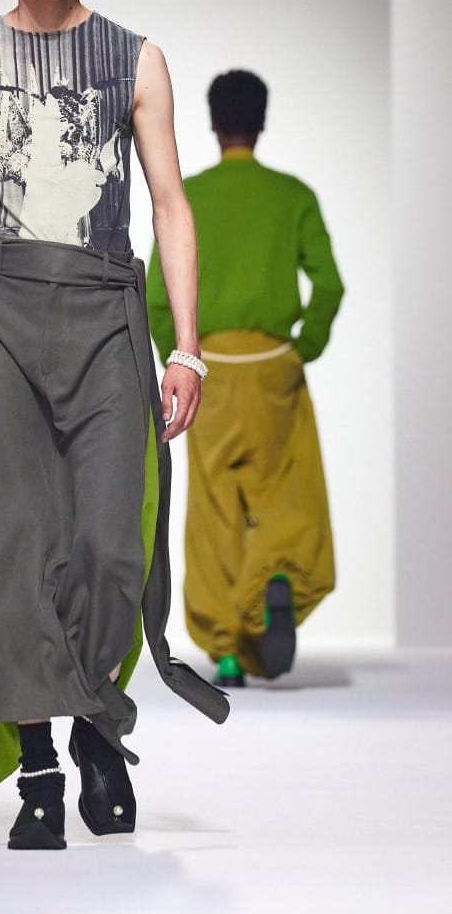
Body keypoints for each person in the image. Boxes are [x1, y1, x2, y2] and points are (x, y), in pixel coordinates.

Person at [0, 0, 229, 851]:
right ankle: (40, 765)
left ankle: (95, 718)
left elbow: (170, 204)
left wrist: (187, 348)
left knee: (107, 538)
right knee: (12, 544)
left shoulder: (136, 59)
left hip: (104, 308)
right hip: (3, 309)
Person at [146, 70, 344, 687]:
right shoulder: (293, 196)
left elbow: (156, 295)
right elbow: (330, 284)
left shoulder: (190, 197)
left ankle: (226, 647)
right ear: (262, 120)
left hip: (210, 366)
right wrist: (302, 347)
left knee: (214, 502)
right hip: (273, 365)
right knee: (282, 490)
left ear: (212, 122)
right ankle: (275, 579)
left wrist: (179, 357)